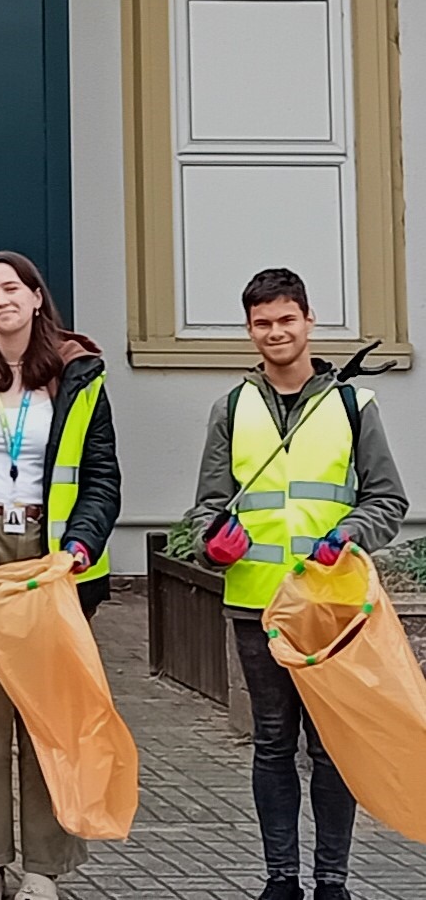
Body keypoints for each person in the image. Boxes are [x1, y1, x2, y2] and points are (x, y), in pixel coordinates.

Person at [184, 268, 407, 900]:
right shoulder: (230, 408)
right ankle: (281, 880)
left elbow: (387, 500)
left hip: (330, 608)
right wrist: (211, 540)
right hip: (255, 604)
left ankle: (331, 881)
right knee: (273, 744)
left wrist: (351, 536)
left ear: (309, 321)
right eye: (262, 323)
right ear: (249, 330)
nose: (275, 332)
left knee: (331, 748)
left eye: (286, 319)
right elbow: (206, 507)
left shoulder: (351, 405)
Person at [0, 252, 120, 900]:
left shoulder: (78, 375)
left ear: (36, 296)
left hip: (49, 554)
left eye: (11, 288)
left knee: (44, 713)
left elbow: (101, 477)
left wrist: (82, 542)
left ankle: (41, 866)